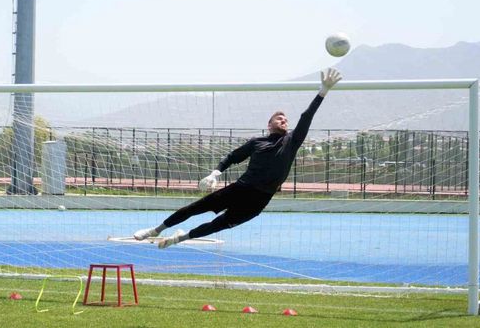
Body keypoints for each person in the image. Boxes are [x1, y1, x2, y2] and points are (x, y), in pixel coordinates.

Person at [134, 68, 342, 249]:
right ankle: (156, 230)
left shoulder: (292, 141)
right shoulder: (257, 142)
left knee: (217, 225)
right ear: (269, 124)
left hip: (260, 199)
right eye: (279, 118)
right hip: (240, 188)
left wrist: (323, 91)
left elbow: (306, 117)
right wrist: (215, 174)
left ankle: (180, 238)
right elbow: (232, 157)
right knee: (194, 208)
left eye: (286, 119)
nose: (284, 120)